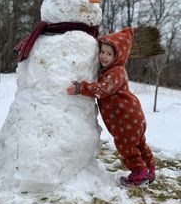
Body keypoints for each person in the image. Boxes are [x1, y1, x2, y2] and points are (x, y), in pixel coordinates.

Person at [66, 27, 155, 187]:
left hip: (125, 118)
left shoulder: (117, 72)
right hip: (132, 116)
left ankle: (139, 175)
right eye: (102, 52)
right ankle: (149, 170)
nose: (104, 57)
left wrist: (82, 88)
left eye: (109, 54)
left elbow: (103, 89)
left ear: (118, 56)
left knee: (128, 147)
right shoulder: (112, 70)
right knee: (139, 144)